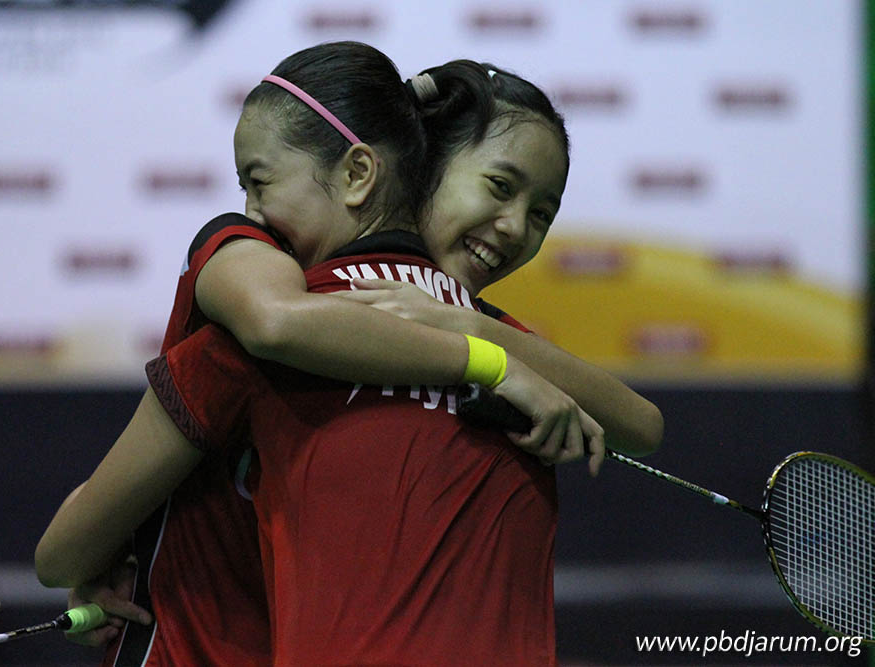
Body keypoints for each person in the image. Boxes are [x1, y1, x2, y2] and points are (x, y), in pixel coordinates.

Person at [36, 42, 662, 665]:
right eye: (499, 186)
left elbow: (642, 425)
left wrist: (472, 333)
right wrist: (486, 360)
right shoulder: (259, 285)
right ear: (417, 169)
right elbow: (274, 322)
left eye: (542, 214)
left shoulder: (489, 341)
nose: (515, 226)